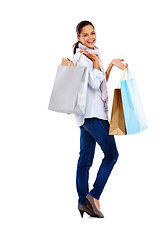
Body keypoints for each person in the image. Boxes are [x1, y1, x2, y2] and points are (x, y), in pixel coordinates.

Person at [72, 20, 128, 218]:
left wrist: (110, 63)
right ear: (78, 38)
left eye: (92, 33)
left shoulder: (92, 55)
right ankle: (94, 196)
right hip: (95, 115)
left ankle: (82, 202)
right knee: (112, 155)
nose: (90, 38)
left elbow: (100, 79)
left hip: (85, 117)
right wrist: (96, 62)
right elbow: (96, 84)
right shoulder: (84, 57)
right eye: (85, 35)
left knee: (84, 160)